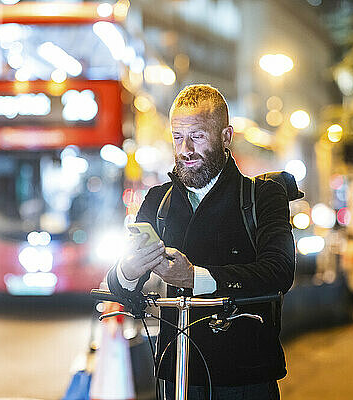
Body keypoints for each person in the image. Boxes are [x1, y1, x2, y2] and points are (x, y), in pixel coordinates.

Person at [106, 84, 295, 399]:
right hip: (176, 372)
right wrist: (128, 270)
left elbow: (279, 272)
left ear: (225, 137)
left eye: (197, 136)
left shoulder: (262, 195)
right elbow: (119, 285)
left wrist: (195, 277)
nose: (185, 150)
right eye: (178, 137)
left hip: (244, 377)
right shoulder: (157, 200)